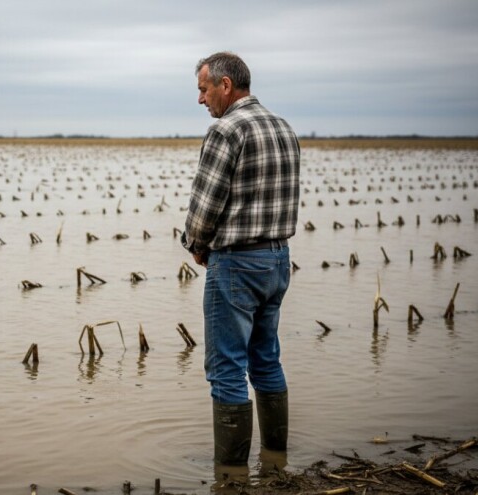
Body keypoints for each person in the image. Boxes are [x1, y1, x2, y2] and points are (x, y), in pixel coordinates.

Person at [182, 51, 300, 474]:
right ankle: (275, 458)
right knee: (266, 358)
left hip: (235, 263)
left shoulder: (226, 130)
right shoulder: (283, 127)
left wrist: (195, 244)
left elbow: (205, 205)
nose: (201, 99)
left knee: (226, 369)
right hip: (278, 259)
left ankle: (230, 476)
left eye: (203, 89)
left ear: (225, 86)